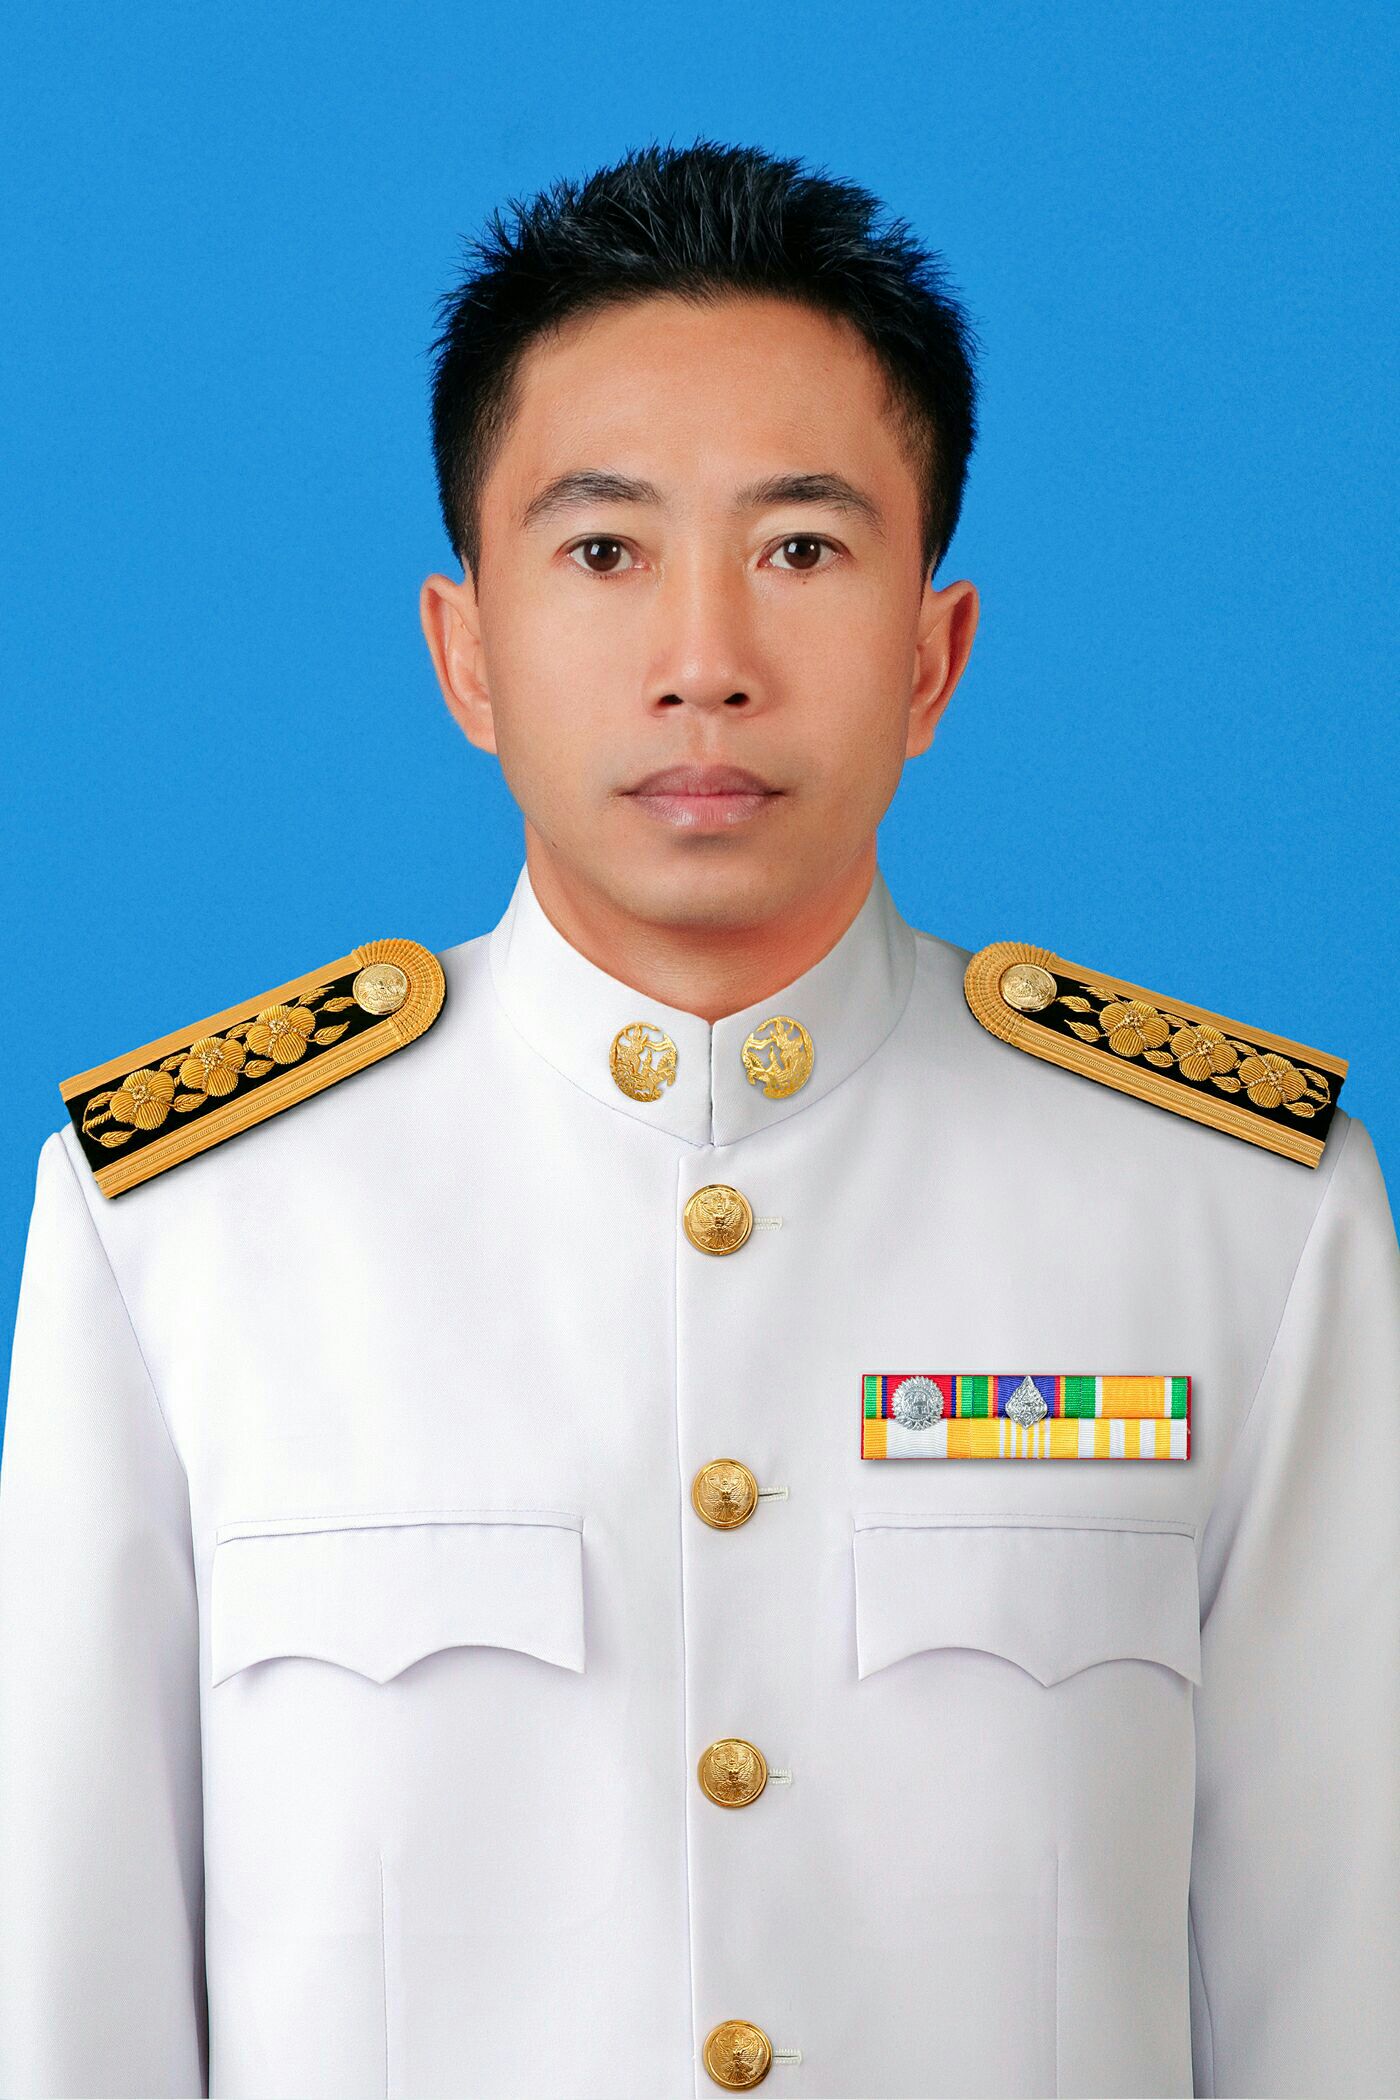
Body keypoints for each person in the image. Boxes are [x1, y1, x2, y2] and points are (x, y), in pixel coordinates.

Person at [1, 136, 1396, 2100]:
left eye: (801, 551)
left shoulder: (1236, 1222)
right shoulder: (183, 1229)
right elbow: (69, 2015)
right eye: (604, 552)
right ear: (465, 651)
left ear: (933, 655)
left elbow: (1345, 1998)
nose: (704, 665)